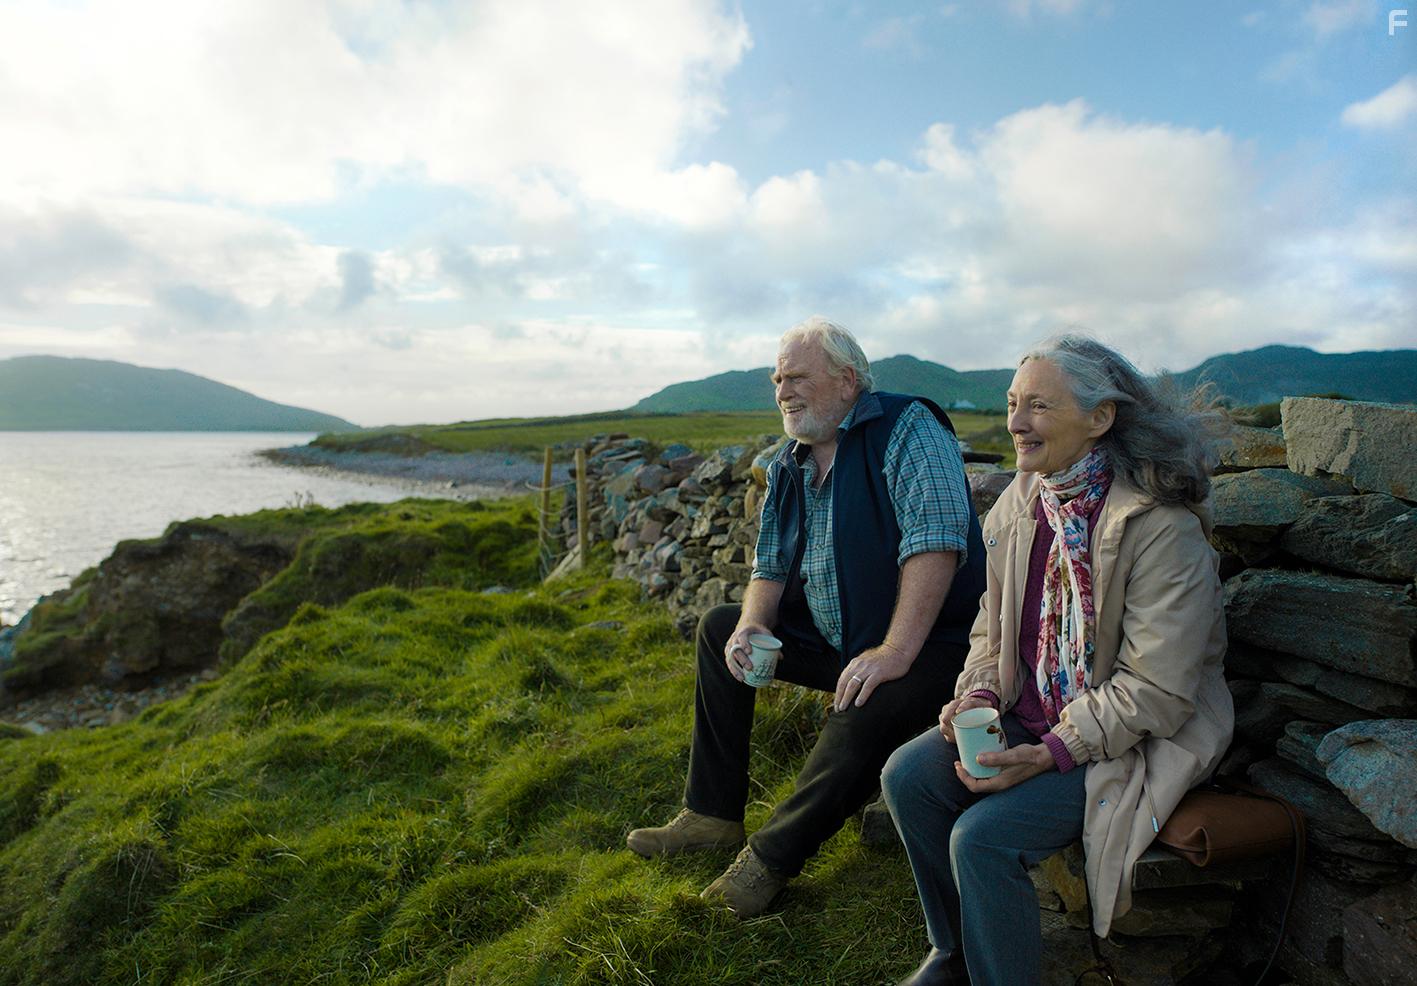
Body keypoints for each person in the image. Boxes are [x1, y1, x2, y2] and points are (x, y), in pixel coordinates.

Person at [881, 334, 1234, 986]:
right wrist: (981, 694)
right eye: (1013, 403)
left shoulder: (1160, 526)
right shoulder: (1023, 500)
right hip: (1033, 710)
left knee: (982, 838)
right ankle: (954, 953)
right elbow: (991, 632)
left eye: (1037, 406)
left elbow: (1155, 690)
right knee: (907, 776)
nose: (1015, 422)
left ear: (1099, 419)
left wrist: (1048, 753)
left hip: (1131, 740)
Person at [626, 315, 987, 918]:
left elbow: (936, 542)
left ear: (848, 380)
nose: (782, 391)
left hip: (937, 648)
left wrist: (894, 651)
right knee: (720, 628)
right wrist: (751, 626)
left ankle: (769, 860)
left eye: (796, 377)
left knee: (864, 699)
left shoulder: (906, 426)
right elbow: (767, 564)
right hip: (847, 640)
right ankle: (711, 814)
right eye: (776, 379)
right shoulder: (790, 463)